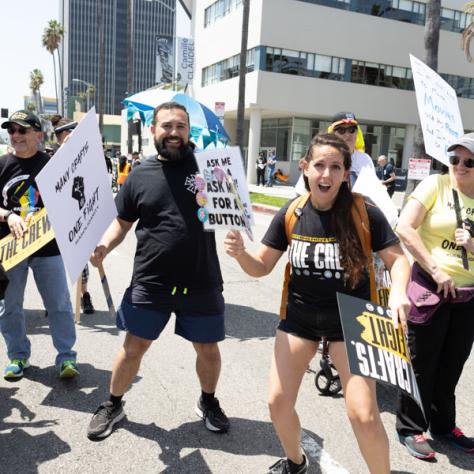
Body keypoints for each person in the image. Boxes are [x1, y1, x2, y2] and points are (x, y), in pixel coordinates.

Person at [225, 133, 410, 474]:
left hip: (353, 320)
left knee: (364, 414)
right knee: (277, 403)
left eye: (335, 167)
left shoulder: (364, 212)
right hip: (300, 318)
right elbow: (262, 266)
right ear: (305, 168)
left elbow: (399, 261)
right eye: (319, 165)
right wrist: (240, 255)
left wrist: (399, 293)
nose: (326, 175)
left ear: (345, 173)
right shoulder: (292, 212)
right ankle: (296, 462)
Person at [86, 102, 229, 440]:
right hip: (152, 279)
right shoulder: (139, 174)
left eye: (180, 126)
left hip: (201, 278)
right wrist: (104, 246)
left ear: (188, 130)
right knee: (134, 347)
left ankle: (208, 401)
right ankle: (113, 403)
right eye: (167, 126)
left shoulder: (212, 169)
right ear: (153, 130)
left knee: (208, 348)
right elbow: (121, 224)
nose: (174, 133)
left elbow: (233, 214)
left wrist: (237, 227)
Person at [395, 133, 474, 459]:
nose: (459, 166)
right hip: (432, 289)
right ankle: (412, 428)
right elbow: (404, 227)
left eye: (469, 161)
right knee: (422, 362)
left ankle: (443, 425)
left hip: (467, 296)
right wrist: (435, 269)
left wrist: (471, 245)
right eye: (454, 159)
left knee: (452, 363)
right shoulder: (436, 186)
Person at [0, 110, 78, 379]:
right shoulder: (1, 164)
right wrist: (8, 215)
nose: (16, 136)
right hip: (11, 248)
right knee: (9, 306)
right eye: (12, 130)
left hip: (48, 248)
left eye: (22, 130)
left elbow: (74, 198)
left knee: (58, 304)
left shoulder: (53, 165)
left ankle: (66, 357)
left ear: (38, 134)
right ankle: (18, 357)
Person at [53, 117, 95, 315]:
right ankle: (54, 301)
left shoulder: (84, 155)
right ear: (62, 135)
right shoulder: (51, 156)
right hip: (58, 219)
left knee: (82, 262)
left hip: (80, 213)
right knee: (56, 265)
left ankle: (84, 295)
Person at [328, 112, 375, 186]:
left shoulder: (365, 159)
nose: (347, 135)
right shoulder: (324, 157)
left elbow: (372, 189)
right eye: (341, 130)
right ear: (332, 134)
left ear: (357, 133)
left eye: (352, 130)